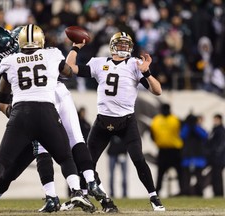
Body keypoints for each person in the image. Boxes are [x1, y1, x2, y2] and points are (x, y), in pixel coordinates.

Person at [0, 25, 105, 213]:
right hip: (48, 106)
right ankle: (78, 189)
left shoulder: (9, 61)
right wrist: (73, 50)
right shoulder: (51, 54)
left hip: (22, 110)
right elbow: (69, 72)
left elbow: (1, 92)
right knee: (66, 152)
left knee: (5, 160)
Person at [66, 31, 165, 211]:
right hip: (103, 121)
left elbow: (158, 91)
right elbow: (69, 69)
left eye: (127, 44)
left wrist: (148, 73)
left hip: (126, 121)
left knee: (138, 159)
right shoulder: (99, 63)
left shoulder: (135, 64)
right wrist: (75, 48)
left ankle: (154, 197)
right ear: (112, 46)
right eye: (121, 44)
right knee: (87, 162)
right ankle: (81, 196)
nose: (124, 47)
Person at [150, 103, 183, 196]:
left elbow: (152, 135)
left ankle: (157, 191)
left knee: (161, 173)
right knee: (177, 172)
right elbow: (183, 133)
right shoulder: (175, 119)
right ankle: (183, 190)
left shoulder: (156, 120)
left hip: (166, 150)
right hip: (173, 150)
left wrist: (158, 142)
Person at [180, 114, 208, 196]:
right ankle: (186, 192)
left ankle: (199, 192)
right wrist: (190, 126)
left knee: (198, 175)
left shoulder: (196, 128)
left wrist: (194, 126)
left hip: (197, 156)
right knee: (186, 176)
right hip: (188, 156)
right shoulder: (187, 128)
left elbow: (205, 136)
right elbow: (182, 136)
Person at [206, 114, 225, 197]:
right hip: (215, 158)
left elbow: (220, 145)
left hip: (219, 159)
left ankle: (218, 193)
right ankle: (216, 193)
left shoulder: (220, 130)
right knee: (214, 176)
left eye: (216, 119)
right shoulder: (214, 130)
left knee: (217, 177)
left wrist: (215, 153)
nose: (214, 121)